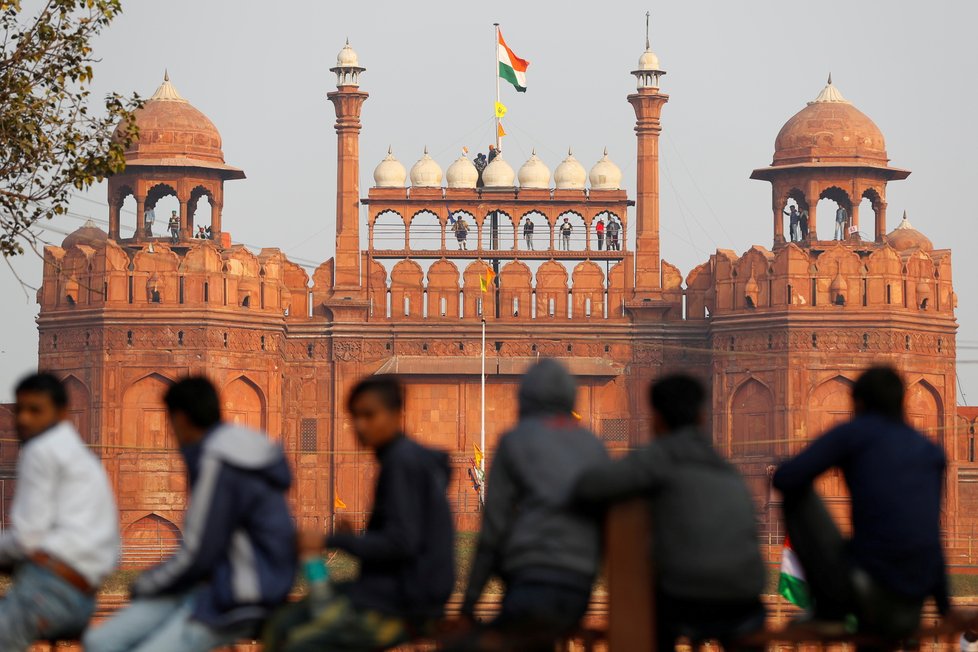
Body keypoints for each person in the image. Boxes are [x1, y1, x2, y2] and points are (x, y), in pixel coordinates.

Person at [84, 377, 296, 652]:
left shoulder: (218, 459)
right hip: (221, 583)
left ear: (180, 418)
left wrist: (147, 583)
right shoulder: (236, 447)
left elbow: (198, 551)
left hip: (244, 593)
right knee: (101, 641)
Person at [574, 374, 767, 651]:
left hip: (685, 595)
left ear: (656, 419)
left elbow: (590, 487)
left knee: (652, 616)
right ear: (702, 417)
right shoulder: (726, 469)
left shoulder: (659, 458)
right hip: (744, 595)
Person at [264, 375, 454, 652]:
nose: (360, 426)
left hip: (402, 601)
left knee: (295, 642)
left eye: (369, 415)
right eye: (355, 417)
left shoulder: (402, 462)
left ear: (396, 414)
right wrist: (354, 541)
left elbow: (402, 542)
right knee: (282, 622)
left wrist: (331, 541)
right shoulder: (403, 459)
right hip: (394, 591)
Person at [772, 367, 950, 643]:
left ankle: (827, 607)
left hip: (865, 584)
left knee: (796, 490)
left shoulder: (855, 434)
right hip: (913, 597)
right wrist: (945, 607)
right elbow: (930, 534)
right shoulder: (931, 451)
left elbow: (785, 477)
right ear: (903, 402)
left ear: (858, 402)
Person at [447, 360, 608, 652]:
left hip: (530, 583)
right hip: (577, 588)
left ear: (524, 397)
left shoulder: (516, 441)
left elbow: (493, 531)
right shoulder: (593, 446)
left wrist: (468, 606)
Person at [0, 373, 119, 651]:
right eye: (20, 410)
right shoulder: (82, 456)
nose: (24, 420)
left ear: (62, 413)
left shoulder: (40, 450)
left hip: (48, 592)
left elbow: (26, 540)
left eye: (35, 410)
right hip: (84, 597)